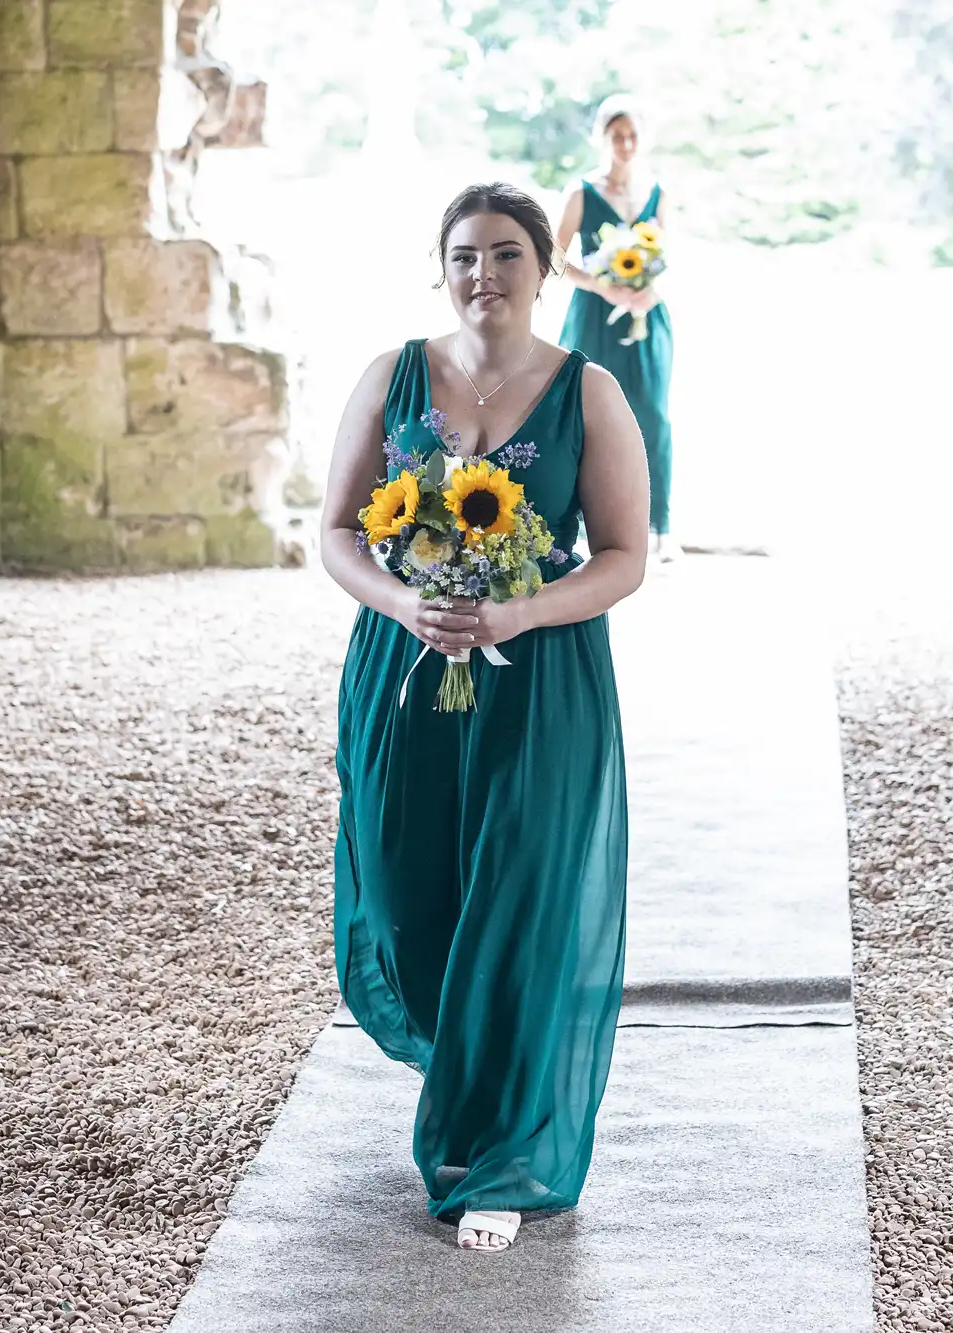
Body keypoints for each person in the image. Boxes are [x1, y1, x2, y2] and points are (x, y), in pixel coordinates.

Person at [319, 182, 650, 1253]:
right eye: (464, 254)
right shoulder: (392, 374)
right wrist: (402, 601)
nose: (483, 274)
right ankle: (457, 1063)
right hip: (403, 672)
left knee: (518, 899)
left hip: (539, 682)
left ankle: (498, 1150)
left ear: (543, 268)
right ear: (441, 266)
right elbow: (333, 531)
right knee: (411, 896)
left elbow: (622, 555)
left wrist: (515, 608)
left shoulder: (586, 392)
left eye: (506, 254)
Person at [556, 94, 677, 561]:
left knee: (653, 413)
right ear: (601, 138)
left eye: (632, 136)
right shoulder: (581, 192)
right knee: (584, 414)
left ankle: (659, 525)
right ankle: (577, 527)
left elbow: (666, 256)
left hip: (647, 315)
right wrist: (601, 286)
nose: (625, 144)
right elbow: (554, 254)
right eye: (616, 135)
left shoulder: (657, 193)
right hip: (593, 315)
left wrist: (649, 289)